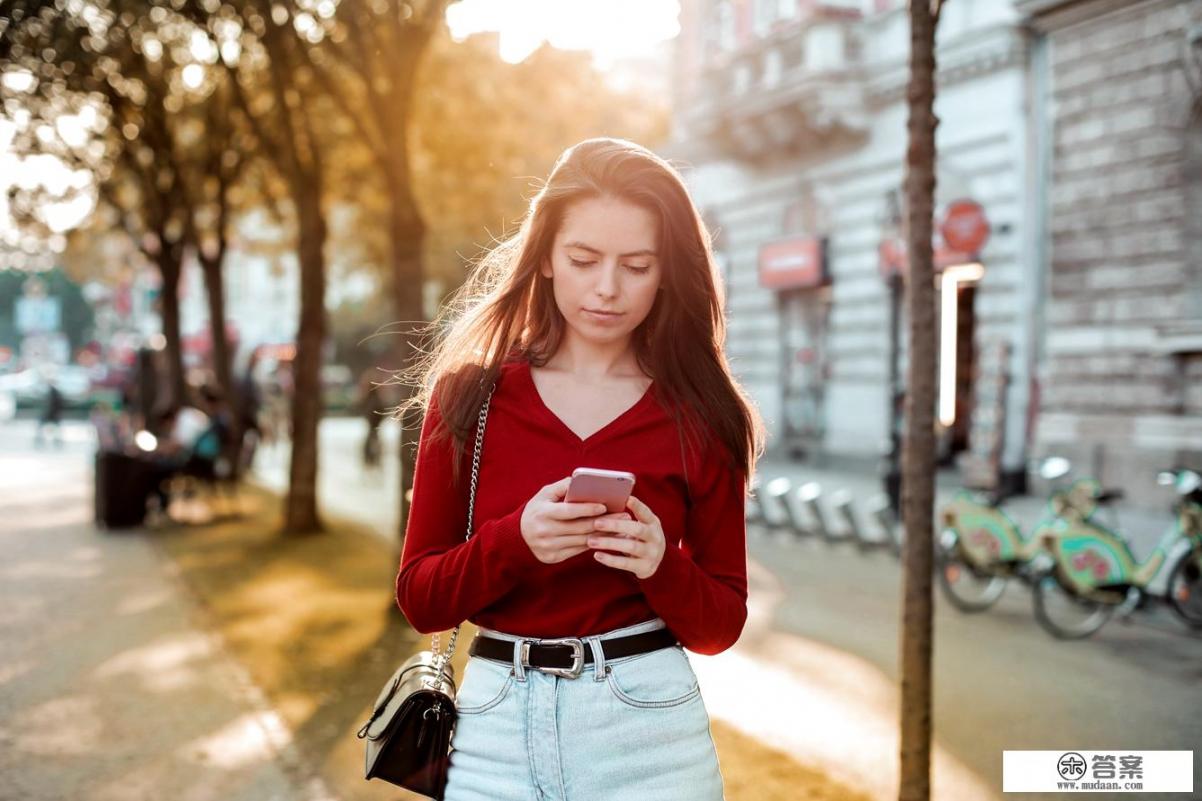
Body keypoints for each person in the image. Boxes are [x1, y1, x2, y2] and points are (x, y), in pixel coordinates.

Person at [394, 138, 765, 801]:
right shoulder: (469, 398)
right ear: (543, 257)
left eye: (637, 265)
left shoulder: (703, 413)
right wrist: (515, 541)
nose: (606, 287)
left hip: (647, 733)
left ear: (666, 272)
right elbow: (421, 597)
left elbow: (720, 625)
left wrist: (660, 563)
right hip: (493, 729)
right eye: (584, 259)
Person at [35, 379, 64, 448]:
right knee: (55, 429)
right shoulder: (54, 392)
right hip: (52, 414)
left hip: (50, 414)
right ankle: (56, 442)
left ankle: (56, 442)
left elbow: (55, 404)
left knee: (55, 430)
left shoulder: (53, 392)